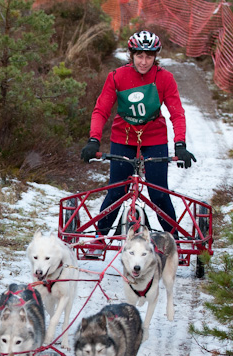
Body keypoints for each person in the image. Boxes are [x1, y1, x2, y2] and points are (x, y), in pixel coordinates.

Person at [80, 30, 196, 239]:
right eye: (139, 56)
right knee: (117, 191)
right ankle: (100, 236)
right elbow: (101, 110)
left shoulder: (165, 79)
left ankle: (173, 240)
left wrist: (180, 144)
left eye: (149, 56)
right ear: (131, 55)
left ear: (155, 56)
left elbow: (177, 113)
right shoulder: (117, 76)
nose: (144, 62)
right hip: (123, 138)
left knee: (158, 193)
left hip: (154, 138)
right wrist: (94, 140)